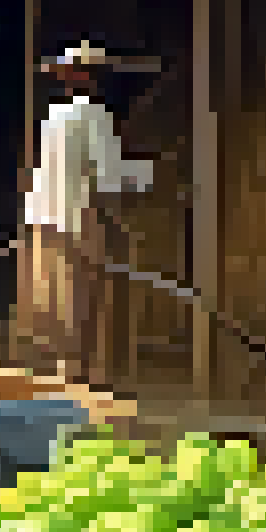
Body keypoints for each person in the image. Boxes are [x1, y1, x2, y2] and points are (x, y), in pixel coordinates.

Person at [21, 41, 158, 377]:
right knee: (78, 298)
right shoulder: (95, 116)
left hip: (44, 216)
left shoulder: (55, 115)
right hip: (75, 217)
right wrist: (149, 174)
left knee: (53, 299)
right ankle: (75, 375)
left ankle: (57, 371)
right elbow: (109, 176)